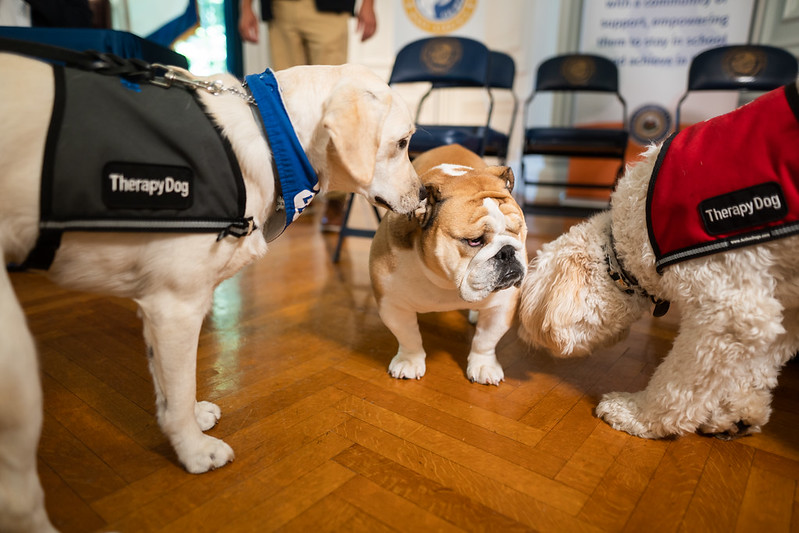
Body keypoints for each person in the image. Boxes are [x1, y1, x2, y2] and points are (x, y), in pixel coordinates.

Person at [239, 0, 377, 232]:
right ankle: (298, 189)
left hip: (327, 12)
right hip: (281, 10)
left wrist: (368, 5)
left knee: (333, 101)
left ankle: (336, 198)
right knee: (287, 103)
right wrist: (245, 9)